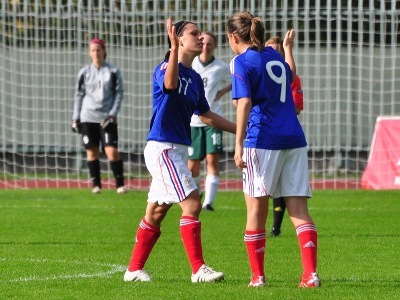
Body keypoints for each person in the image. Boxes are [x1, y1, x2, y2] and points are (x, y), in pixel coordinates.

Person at [123, 18, 236, 283]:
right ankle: (198, 269)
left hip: (176, 149)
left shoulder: (196, 78)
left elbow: (206, 115)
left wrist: (240, 130)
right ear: (179, 39)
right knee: (193, 202)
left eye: (201, 34)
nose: (201, 38)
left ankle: (133, 270)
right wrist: (173, 49)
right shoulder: (164, 67)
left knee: (156, 213)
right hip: (163, 148)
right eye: (194, 33)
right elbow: (170, 85)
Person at [227, 12, 320, 288]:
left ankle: (257, 278)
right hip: (293, 138)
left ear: (233, 37)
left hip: (262, 140)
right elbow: (290, 74)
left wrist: (238, 144)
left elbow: (243, 103)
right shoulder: (275, 57)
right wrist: (289, 50)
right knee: (299, 210)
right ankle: (311, 275)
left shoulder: (241, 61)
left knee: (256, 211)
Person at [72, 38, 126, 194]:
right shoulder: (84, 72)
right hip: (87, 117)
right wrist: (75, 117)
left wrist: (112, 115)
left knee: (111, 152)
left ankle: (120, 185)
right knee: (92, 152)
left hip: (106, 118)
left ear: (104, 51)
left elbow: (119, 94)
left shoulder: (114, 72)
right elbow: (79, 95)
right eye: (93, 50)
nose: (96, 53)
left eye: (98, 50)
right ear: (90, 53)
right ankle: (96, 186)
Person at [265, 36, 304, 237]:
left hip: (285, 135)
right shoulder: (258, 71)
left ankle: (275, 228)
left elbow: (297, 106)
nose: (272, 53)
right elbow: (241, 102)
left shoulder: (290, 77)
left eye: (276, 50)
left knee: (287, 188)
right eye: (268, 49)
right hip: (265, 136)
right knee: (264, 190)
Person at [188, 31, 232, 212]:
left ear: (214, 46)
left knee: (212, 160)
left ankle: (208, 203)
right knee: (193, 164)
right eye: (203, 43)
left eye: (209, 44)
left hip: (213, 120)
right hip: (193, 121)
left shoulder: (220, 67)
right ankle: (196, 196)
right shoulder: (191, 64)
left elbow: (236, 81)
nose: (206, 46)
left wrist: (222, 92)